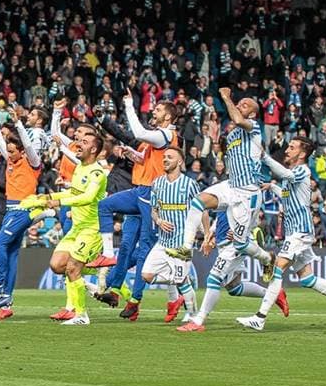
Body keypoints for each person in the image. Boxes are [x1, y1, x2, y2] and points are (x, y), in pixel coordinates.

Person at [235, 137, 326, 332]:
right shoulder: (291, 175)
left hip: (300, 232)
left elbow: (284, 174)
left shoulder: (303, 170)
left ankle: (260, 318)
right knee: (307, 279)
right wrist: (272, 187)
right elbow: (287, 196)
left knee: (278, 269)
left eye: (291, 147)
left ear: (302, 154)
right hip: (294, 232)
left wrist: (265, 157)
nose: (287, 150)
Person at [93, 89, 178, 321]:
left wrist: (130, 104)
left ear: (168, 117)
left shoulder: (165, 135)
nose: (154, 110)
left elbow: (137, 132)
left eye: (159, 109)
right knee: (107, 208)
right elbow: (143, 158)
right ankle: (109, 259)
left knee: (144, 251)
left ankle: (136, 299)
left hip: (154, 196)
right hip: (140, 190)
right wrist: (129, 153)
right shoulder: (153, 141)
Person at [190, 87, 275, 282]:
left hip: (248, 192)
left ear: (252, 113)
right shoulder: (233, 135)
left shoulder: (253, 126)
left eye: (244, 105)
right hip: (232, 187)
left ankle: (265, 256)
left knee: (239, 244)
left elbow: (237, 119)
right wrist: (215, 141)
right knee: (197, 201)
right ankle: (188, 247)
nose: (238, 105)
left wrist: (227, 97)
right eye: (239, 103)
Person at [28, 131, 107, 325]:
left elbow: (87, 197)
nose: (78, 144)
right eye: (78, 141)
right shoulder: (80, 167)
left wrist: (57, 203)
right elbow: (73, 191)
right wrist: (48, 197)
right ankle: (98, 276)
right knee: (57, 265)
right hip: (76, 228)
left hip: (91, 229)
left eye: (84, 142)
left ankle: (81, 315)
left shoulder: (98, 173)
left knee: (72, 268)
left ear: (94, 149)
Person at [0, 100, 42, 318]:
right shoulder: (12, 159)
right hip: (10, 210)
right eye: (8, 150)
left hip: (23, 210)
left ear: (21, 150)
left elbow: (29, 146)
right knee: (11, 252)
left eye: (13, 150)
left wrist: (18, 123)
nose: (9, 154)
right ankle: (6, 296)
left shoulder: (31, 162)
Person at [177, 214, 288, 332]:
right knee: (234, 287)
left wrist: (241, 230)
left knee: (213, 278)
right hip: (224, 244)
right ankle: (273, 294)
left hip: (234, 244)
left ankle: (197, 321)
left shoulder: (244, 196)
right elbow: (222, 215)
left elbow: (253, 215)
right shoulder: (226, 197)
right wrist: (212, 233)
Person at [141, 147, 199, 323]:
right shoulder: (157, 183)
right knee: (147, 275)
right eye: (164, 157)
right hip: (163, 241)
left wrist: (206, 234)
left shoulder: (190, 184)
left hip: (183, 242)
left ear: (180, 162)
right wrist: (158, 221)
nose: (165, 159)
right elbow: (154, 210)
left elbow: (202, 210)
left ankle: (193, 314)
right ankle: (181, 279)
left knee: (181, 281)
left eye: (170, 157)